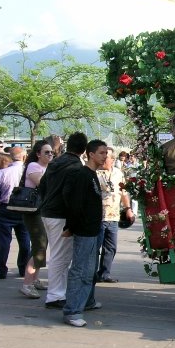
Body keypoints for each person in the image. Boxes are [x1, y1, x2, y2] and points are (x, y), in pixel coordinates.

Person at [61, 140, 108, 327]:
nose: (105, 156)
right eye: (102, 153)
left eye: (106, 153)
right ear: (91, 154)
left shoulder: (92, 174)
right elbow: (75, 203)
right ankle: (72, 311)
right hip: (85, 230)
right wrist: (71, 226)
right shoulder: (81, 174)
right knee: (79, 270)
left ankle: (84, 303)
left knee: (89, 271)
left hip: (94, 229)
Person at [40, 132, 88, 309]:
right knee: (60, 257)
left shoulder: (55, 162)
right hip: (60, 215)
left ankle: (57, 292)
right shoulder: (75, 166)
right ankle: (55, 295)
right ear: (84, 149)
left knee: (57, 255)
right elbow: (70, 194)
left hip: (48, 211)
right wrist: (74, 217)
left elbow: (43, 186)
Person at [19, 141, 54, 298]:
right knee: (39, 245)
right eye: (46, 152)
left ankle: (35, 279)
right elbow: (43, 185)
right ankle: (27, 283)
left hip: (43, 210)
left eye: (52, 152)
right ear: (38, 153)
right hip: (33, 211)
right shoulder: (34, 166)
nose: (50, 155)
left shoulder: (47, 168)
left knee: (42, 244)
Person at [95, 147, 135, 284]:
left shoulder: (118, 173)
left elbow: (123, 193)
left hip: (114, 215)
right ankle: (92, 273)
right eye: (103, 156)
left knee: (111, 247)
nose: (104, 159)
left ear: (112, 159)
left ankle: (105, 273)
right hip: (99, 216)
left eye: (107, 157)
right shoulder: (95, 173)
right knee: (95, 247)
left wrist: (128, 208)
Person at [0, 147, 30, 279]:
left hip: (4, 208)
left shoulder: (0, 173)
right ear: (24, 157)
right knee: (25, 241)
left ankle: (0, 269)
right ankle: (24, 268)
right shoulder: (29, 171)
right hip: (24, 208)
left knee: (4, 242)